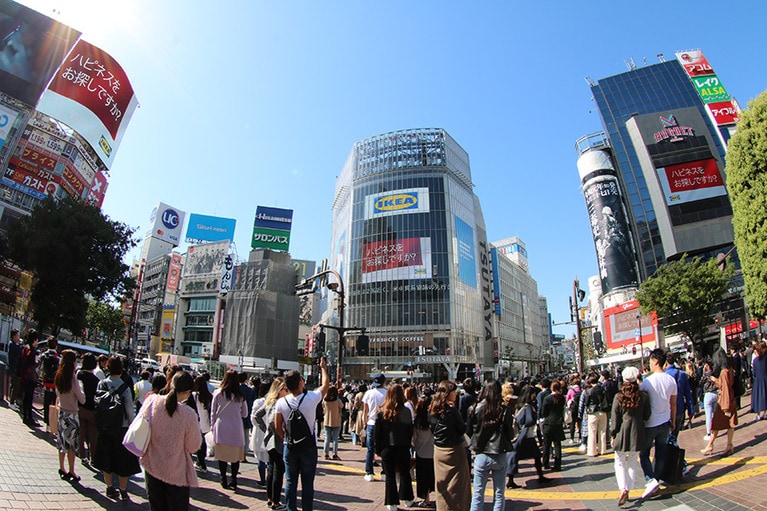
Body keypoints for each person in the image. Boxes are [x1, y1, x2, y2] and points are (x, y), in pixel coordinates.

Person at [140, 371, 201, 511]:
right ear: (188, 392)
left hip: (152, 465)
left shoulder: (152, 401)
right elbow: (193, 446)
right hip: (176, 471)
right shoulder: (189, 415)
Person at [274, 357, 329, 511]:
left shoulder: (281, 402)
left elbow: (278, 426)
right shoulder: (311, 398)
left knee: (290, 481)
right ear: (300, 383)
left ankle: (291, 508)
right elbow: (325, 386)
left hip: (290, 446)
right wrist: (323, 367)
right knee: (307, 482)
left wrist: (285, 438)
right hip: (308, 446)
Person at [93, 356, 141, 501]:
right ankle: (123, 490)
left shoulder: (101, 384)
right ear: (121, 370)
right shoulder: (125, 388)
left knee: (106, 458)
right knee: (122, 461)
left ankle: (109, 487)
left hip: (105, 427)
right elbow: (129, 412)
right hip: (121, 428)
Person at [468, 379, 515, 511]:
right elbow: (510, 434)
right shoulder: (504, 410)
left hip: (481, 454)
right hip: (499, 453)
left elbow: (469, 432)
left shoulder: (474, 408)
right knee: (499, 493)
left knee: (478, 493)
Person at [639, 348, 677, 500]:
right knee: (660, 453)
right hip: (665, 420)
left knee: (644, 454)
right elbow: (673, 403)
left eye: (650, 361)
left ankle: (650, 479)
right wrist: (673, 420)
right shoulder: (671, 380)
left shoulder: (647, 382)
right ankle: (656, 478)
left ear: (655, 361)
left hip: (649, 423)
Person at [610, 366, 651, 506]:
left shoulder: (618, 396)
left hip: (622, 431)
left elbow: (615, 418)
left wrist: (613, 434)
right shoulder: (643, 396)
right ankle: (629, 488)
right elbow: (647, 415)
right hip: (638, 431)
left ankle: (623, 488)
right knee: (633, 460)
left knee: (619, 461)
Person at [428, 380, 471, 511]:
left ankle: (443, 507)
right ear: (448, 393)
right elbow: (462, 429)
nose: (456, 394)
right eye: (454, 392)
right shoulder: (452, 412)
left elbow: (432, 428)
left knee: (441, 485)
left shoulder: (432, 409)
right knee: (458, 485)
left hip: (439, 450)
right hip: (454, 451)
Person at [375, 383, 415, 511]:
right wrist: (408, 443)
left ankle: (391, 502)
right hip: (403, 446)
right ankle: (407, 498)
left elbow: (378, 433)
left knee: (390, 476)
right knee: (405, 473)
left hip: (387, 447)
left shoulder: (382, 412)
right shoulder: (406, 411)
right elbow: (410, 430)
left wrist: (378, 450)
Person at [211, 370, 248, 490]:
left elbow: (213, 412)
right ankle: (234, 479)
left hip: (221, 426)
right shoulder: (240, 396)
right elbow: (245, 414)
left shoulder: (219, 393)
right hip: (236, 428)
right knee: (235, 457)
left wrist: (212, 425)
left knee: (222, 455)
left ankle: (223, 478)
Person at [254, 377, 288, 510]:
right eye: (285, 389)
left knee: (271, 469)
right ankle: (275, 501)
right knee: (278, 471)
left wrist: (266, 429)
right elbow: (270, 420)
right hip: (277, 440)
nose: (287, 391)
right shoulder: (278, 403)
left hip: (269, 440)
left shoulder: (269, 401)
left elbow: (257, 416)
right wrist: (276, 431)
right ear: (279, 390)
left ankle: (270, 498)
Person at [506, 385, 549, 489]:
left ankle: (510, 479)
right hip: (527, 435)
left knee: (515, 456)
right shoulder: (528, 406)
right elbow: (529, 421)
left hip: (520, 435)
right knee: (537, 455)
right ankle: (540, 476)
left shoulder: (518, 405)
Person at [54, 349, 85, 482]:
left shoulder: (59, 376)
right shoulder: (73, 379)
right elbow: (82, 399)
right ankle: (72, 470)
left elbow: (57, 393)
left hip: (62, 412)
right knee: (72, 445)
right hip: (72, 415)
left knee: (62, 442)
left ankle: (62, 467)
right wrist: (82, 389)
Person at [701, 348, 738, 456]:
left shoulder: (723, 372)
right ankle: (728, 445)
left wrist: (725, 407)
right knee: (729, 424)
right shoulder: (729, 369)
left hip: (724, 402)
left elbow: (724, 388)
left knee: (716, 424)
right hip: (730, 399)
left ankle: (711, 445)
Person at [362, 373, 388, 481]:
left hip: (371, 423)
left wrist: (364, 423)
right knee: (384, 448)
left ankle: (369, 473)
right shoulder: (387, 393)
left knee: (370, 449)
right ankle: (384, 473)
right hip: (385, 423)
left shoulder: (368, 393)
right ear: (384, 382)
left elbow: (365, 411)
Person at [664, 351, 694, 442]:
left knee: (666, 439)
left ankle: (670, 455)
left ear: (665, 363)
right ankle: (674, 454)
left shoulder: (664, 376)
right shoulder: (682, 374)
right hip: (680, 409)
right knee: (674, 436)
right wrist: (691, 410)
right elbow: (688, 393)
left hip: (666, 410)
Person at [77, 353, 100, 465]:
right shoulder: (96, 380)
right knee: (93, 435)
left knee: (81, 432)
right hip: (92, 410)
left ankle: (82, 455)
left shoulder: (79, 374)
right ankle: (93, 457)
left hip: (80, 407)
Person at [412, 396, 435, 508]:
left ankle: (426, 499)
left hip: (421, 453)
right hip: (434, 452)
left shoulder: (417, 422)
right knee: (434, 477)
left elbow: (414, 440)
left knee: (422, 478)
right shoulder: (433, 419)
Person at [540, 381, 566, 471]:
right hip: (558, 423)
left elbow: (544, 412)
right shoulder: (562, 398)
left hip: (548, 423)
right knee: (557, 445)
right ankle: (557, 465)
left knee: (546, 445)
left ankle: (545, 463)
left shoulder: (547, 399)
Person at [251, 380, 271, 487]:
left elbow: (253, 418)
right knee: (269, 458)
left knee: (260, 458)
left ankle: (263, 480)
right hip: (270, 431)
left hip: (259, 431)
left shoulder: (258, 402)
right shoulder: (274, 401)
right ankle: (269, 480)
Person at [582, 373, 608, 457]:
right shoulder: (603, 388)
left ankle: (592, 451)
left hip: (592, 412)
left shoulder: (589, 391)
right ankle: (602, 450)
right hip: (603, 411)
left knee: (592, 432)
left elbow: (586, 402)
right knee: (602, 431)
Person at [18, 329, 40, 427]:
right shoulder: (32, 351)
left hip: (24, 375)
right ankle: (28, 417)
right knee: (29, 398)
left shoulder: (25, 348)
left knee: (26, 397)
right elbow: (33, 364)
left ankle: (25, 416)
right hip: (30, 377)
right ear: (34, 340)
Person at [192, 375, 213, 472]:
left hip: (196, 423)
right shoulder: (209, 396)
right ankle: (202, 461)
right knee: (203, 444)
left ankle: (201, 463)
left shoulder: (193, 395)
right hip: (206, 423)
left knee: (198, 444)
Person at [40, 336, 60, 430]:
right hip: (55, 383)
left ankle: (46, 423)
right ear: (56, 345)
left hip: (46, 381)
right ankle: (52, 424)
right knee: (54, 403)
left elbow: (40, 366)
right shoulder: (58, 358)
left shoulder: (44, 355)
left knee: (46, 402)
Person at [322, 385, 344, 460]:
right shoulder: (337, 400)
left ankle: (326, 453)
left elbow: (323, 406)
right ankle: (334, 453)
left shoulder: (325, 400)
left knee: (327, 438)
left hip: (327, 420)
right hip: (336, 420)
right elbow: (342, 406)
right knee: (335, 438)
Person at [239, 371, 256, 463]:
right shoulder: (250, 390)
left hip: (236, 417)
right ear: (246, 379)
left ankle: (237, 454)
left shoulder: (236, 389)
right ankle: (243, 456)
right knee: (246, 437)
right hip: (247, 416)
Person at [701, 359, 718, 440]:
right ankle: (715, 430)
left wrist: (704, 372)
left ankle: (709, 433)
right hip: (716, 392)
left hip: (708, 394)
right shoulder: (715, 372)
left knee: (708, 415)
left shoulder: (707, 373)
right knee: (715, 414)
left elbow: (701, 382)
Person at [751, 341, 767, 421]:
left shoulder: (755, 361)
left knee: (757, 398)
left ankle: (758, 414)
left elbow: (754, 372)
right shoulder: (765, 358)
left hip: (757, 381)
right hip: (765, 379)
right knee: (765, 397)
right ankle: (764, 413)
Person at [6, 329, 21, 411]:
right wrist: (21, 344)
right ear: (14, 336)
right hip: (13, 368)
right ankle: (11, 402)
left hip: (14, 367)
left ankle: (12, 401)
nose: (19, 337)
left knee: (14, 385)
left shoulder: (14, 344)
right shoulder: (12, 344)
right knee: (16, 385)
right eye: (18, 335)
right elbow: (19, 350)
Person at [566, 374, 582, 444]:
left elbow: (567, 399)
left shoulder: (571, 390)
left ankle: (572, 438)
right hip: (580, 407)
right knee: (580, 422)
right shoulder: (581, 389)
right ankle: (580, 437)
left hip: (573, 408)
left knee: (572, 423)